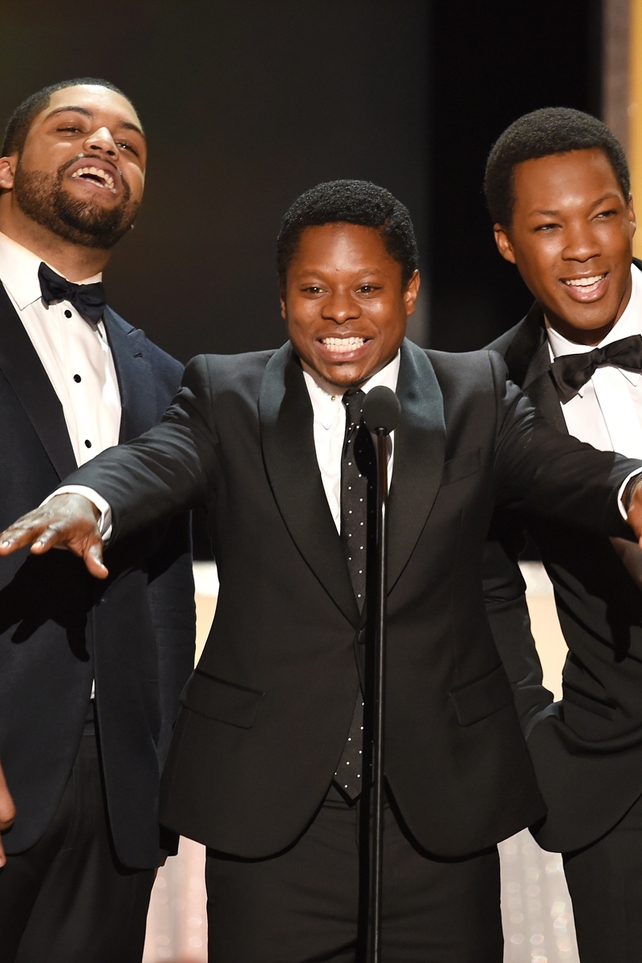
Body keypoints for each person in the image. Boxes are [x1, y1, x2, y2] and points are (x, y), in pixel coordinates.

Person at [3, 178, 642, 963]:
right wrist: (87, 499)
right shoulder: (224, 393)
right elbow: (152, 462)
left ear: (409, 291)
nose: (340, 312)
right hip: (274, 822)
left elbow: (561, 469)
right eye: (314, 289)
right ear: (282, 298)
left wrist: (629, 487)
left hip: (435, 817)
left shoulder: (473, 393)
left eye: (367, 288)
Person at [0, 79, 195, 963]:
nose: (105, 145)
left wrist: (156, 773)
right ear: (5, 168)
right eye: (73, 128)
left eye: (130, 140)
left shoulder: (164, 372)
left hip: (118, 794)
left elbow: (164, 593)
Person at [482, 107, 642, 962]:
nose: (583, 247)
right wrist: (536, 738)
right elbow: (482, 583)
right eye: (548, 226)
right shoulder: (484, 393)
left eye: (603, 213)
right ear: (508, 243)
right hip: (617, 780)